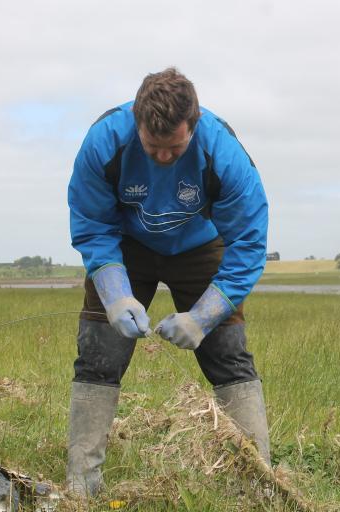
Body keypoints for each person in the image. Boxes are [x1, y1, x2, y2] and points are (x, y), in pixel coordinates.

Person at [66, 68, 270, 497]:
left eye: (174, 148)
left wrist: (204, 315)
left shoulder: (223, 152)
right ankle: (81, 487)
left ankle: (259, 486)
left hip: (200, 245)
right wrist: (115, 295)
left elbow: (248, 244)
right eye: (152, 146)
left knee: (228, 356)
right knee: (98, 355)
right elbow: (92, 224)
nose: (162, 157)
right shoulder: (105, 142)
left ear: (193, 128)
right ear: (137, 122)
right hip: (127, 246)